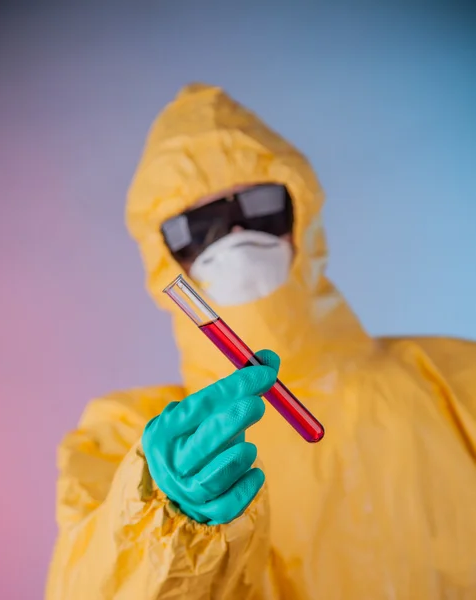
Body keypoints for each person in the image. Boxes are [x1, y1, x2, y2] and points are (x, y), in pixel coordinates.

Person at [46, 83, 476, 599]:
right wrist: (161, 524)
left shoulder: (452, 380)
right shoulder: (127, 439)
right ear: (164, 259)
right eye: (196, 229)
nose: (233, 238)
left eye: (260, 206)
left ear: (303, 217)